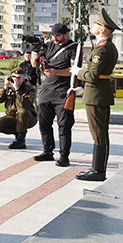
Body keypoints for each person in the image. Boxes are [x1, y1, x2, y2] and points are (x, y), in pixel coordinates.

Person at [70, 8, 120, 182]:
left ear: (103, 29)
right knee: (99, 133)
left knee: (99, 134)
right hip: (97, 93)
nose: (94, 26)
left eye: (97, 24)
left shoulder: (102, 49)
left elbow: (92, 76)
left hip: (97, 96)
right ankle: (96, 168)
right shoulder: (104, 46)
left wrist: (77, 71)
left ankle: (98, 171)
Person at [31, 23, 78, 166]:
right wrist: (34, 56)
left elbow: (74, 70)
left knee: (64, 125)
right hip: (47, 89)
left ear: (66, 34)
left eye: (58, 35)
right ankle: (47, 151)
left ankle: (64, 156)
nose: (55, 38)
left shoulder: (74, 48)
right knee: (43, 121)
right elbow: (35, 65)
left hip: (63, 91)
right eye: (53, 35)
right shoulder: (49, 46)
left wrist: (56, 72)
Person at [0, 64, 38, 149]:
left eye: (19, 78)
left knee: (21, 111)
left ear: (24, 79)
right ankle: (18, 132)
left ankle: (21, 140)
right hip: (13, 116)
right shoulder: (9, 88)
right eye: (14, 77)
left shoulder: (29, 89)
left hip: (28, 118)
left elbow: (23, 105)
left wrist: (17, 90)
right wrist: (5, 88)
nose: (16, 80)